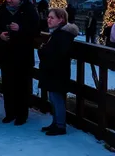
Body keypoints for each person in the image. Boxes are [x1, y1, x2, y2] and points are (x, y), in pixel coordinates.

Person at [0, 0, 40, 126]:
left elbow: (36, 30)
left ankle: (22, 114)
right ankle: (9, 113)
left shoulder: (29, 10)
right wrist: (0, 35)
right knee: (8, 85)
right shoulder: (2, 10)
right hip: (7, 53)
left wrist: (21, 28)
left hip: (23, 55)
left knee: (22, 86)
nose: (9, 0)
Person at [39, 8, 78, 136]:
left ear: (60, 19)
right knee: (53, 98)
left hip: (57, 73)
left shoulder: (63, 35)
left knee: (57, 98)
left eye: (52, 18)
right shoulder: (57, 33)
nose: (48, 20)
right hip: (54, 72)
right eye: (48, 17)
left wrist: (43, 51)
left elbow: (59, 53)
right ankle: (55, 122)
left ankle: (60, 125)